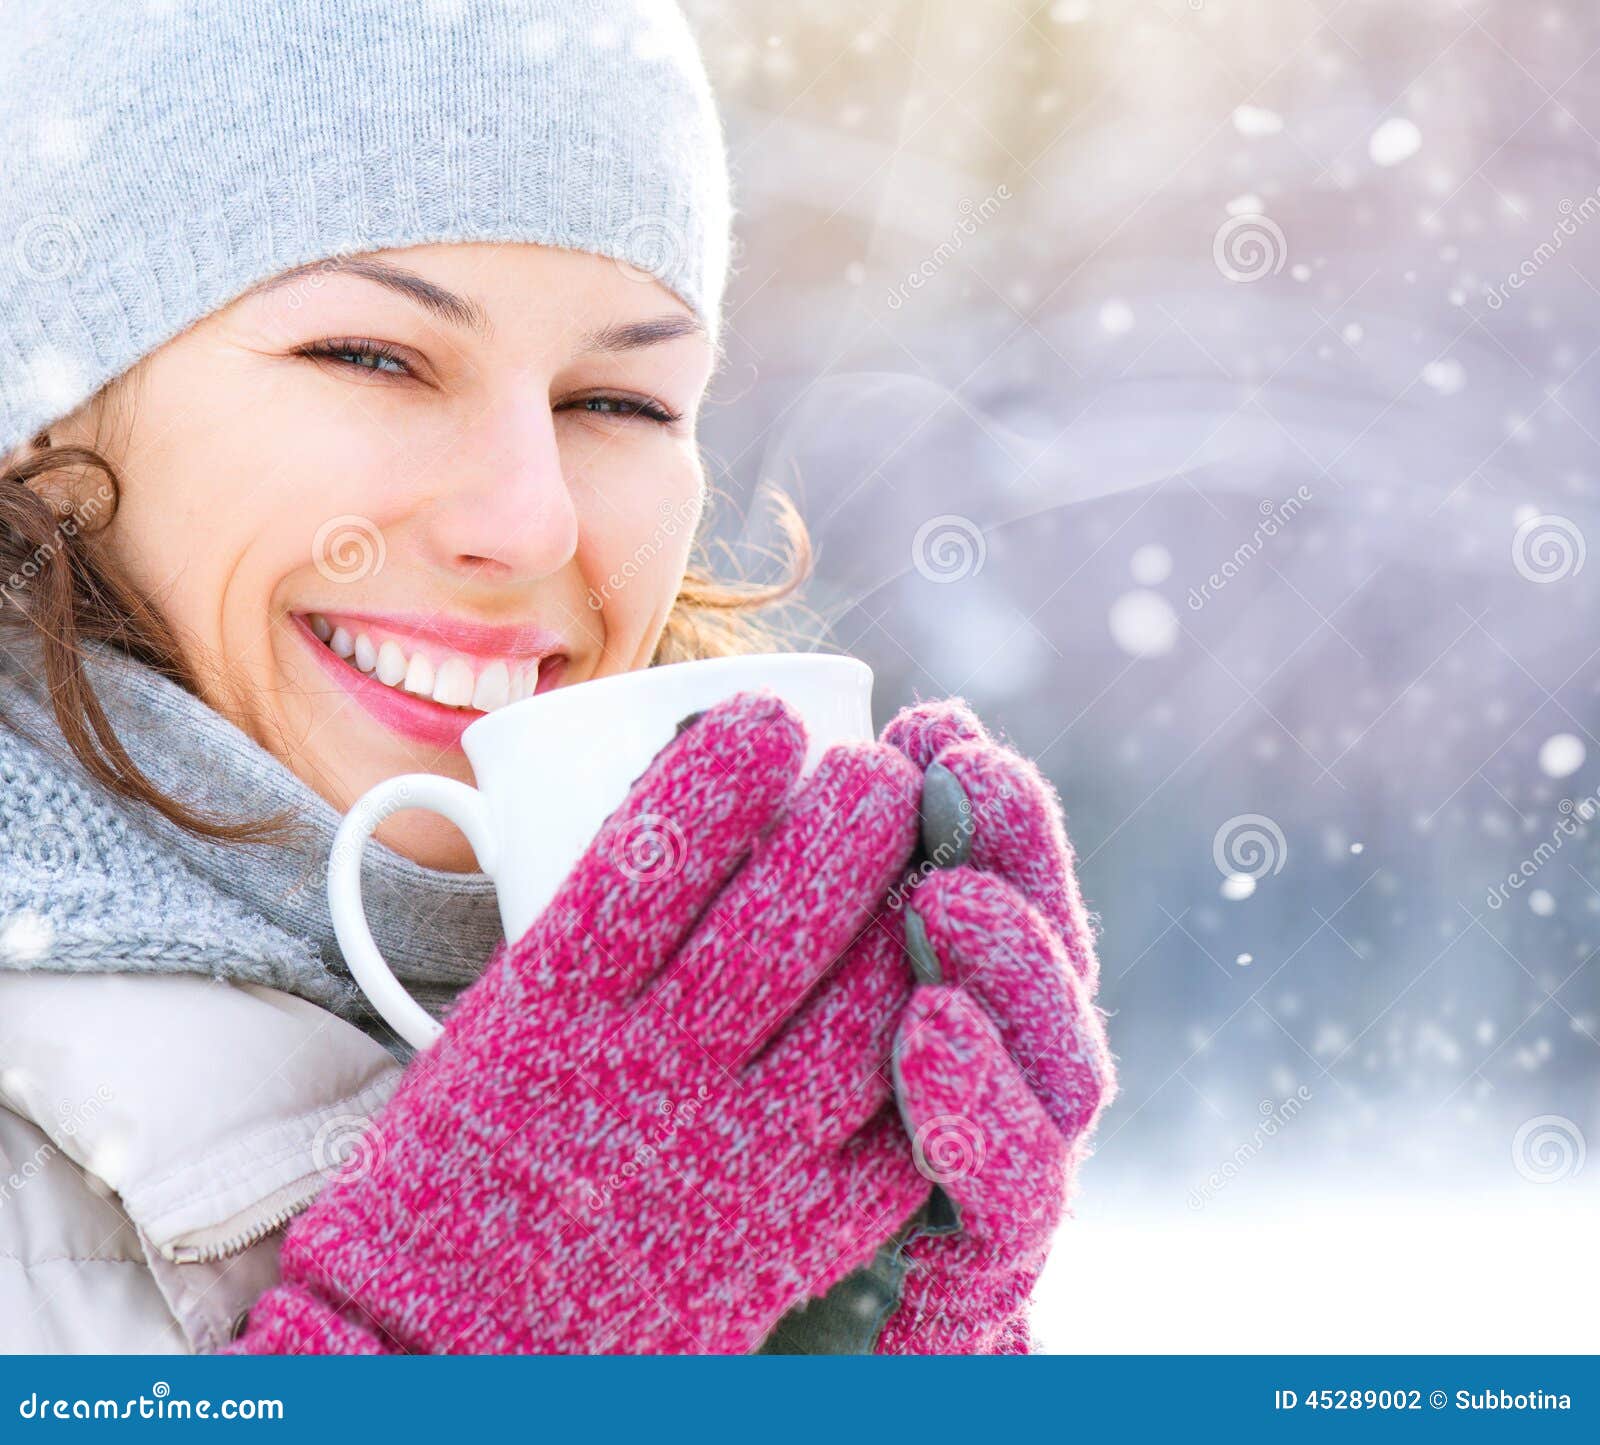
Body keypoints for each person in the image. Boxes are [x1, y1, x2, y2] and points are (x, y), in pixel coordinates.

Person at [0, 0, 1112, 1354]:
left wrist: (875, 1347)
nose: (532, 523)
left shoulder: (726, 1079)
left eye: (619, 402)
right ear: (43, 408)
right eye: (374, 356)